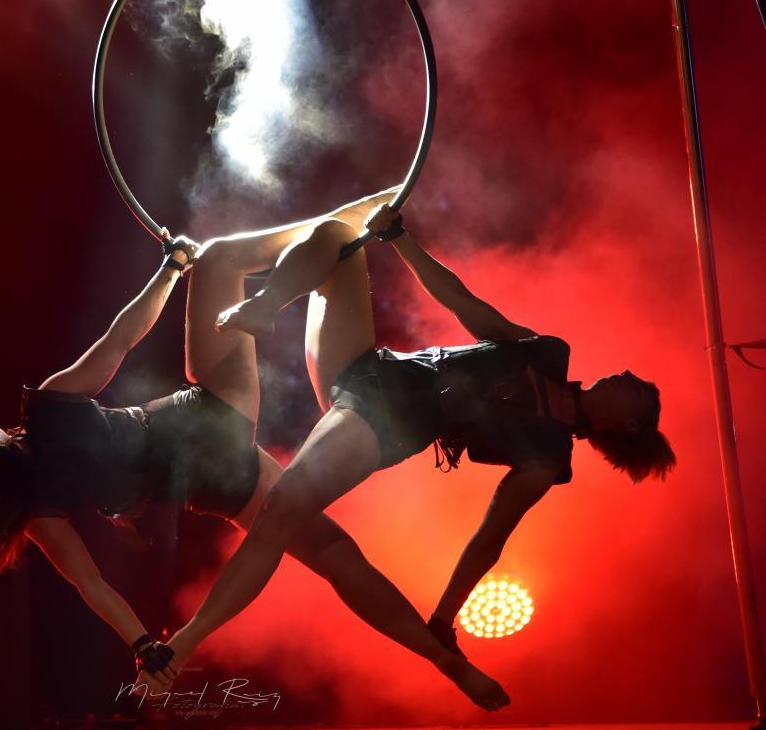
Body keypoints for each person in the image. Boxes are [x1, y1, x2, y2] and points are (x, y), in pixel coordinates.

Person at [0, 192, 509, 710]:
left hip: (212, 483)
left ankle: (446, 662)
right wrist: (170, 270)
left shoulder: (39, 514)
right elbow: (121, 338)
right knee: (220, 257)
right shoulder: (49, 406)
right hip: (211, 412)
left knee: (335, 556)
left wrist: (145, 646)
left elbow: (92, 585)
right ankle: (349, 224)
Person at [159, 203, 675, 685]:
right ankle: (265, 305)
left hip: (386, 422)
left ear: (628, 425)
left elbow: (489, 539)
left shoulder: (547, 457)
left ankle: (185, 642)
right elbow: (463, 303)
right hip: (368, 367)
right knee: (337, 236)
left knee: (282, 510)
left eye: (638, 389)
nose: (628, 374)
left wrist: (445, 618)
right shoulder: (549, 354)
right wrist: (400, 239)